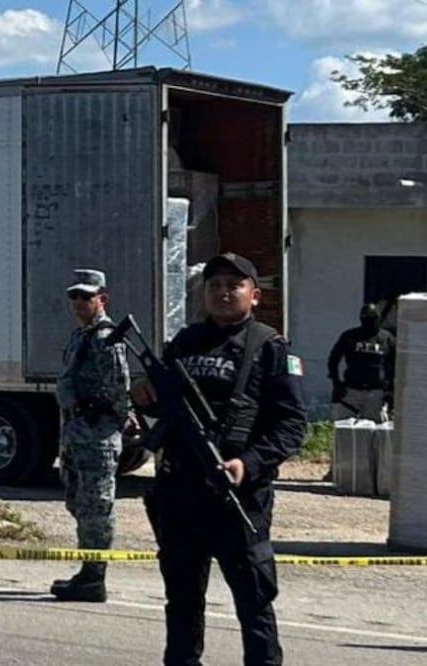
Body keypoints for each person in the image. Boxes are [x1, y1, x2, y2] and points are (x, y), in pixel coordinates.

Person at [144, 252, 306, 665]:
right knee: (181, 600)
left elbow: (292, 426)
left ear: (254, 295)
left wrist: (246, 464)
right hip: (180, 493)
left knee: (253, 603)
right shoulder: (184, 342)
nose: (222, 292)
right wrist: (144, 398)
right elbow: (164, 409)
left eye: (234, 285)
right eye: (214, 284)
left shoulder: (269, 347)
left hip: (236, 498)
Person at [50, 269, 130, 603]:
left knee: (96, 505)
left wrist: (111, 421)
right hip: (76, 431)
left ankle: (94, 577)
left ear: (102, 299)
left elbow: (118, 387)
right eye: (75, 296)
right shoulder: (82, 334)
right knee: (77, 501)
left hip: (96, 433)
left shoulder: (104, 338)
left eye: (86, 296)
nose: (79, 302)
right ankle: (87, 569)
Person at [327, 303, 396, 422]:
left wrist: (390, 391)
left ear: (378, 318)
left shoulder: (387, 338)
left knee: (374, 432)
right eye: (366, 318)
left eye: (373, 318)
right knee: (343, 427)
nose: (369, 321)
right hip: (351, 391)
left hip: (376, 393)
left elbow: (396, 365)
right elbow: (333, 359)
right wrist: (336, 383)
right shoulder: (350, 336)